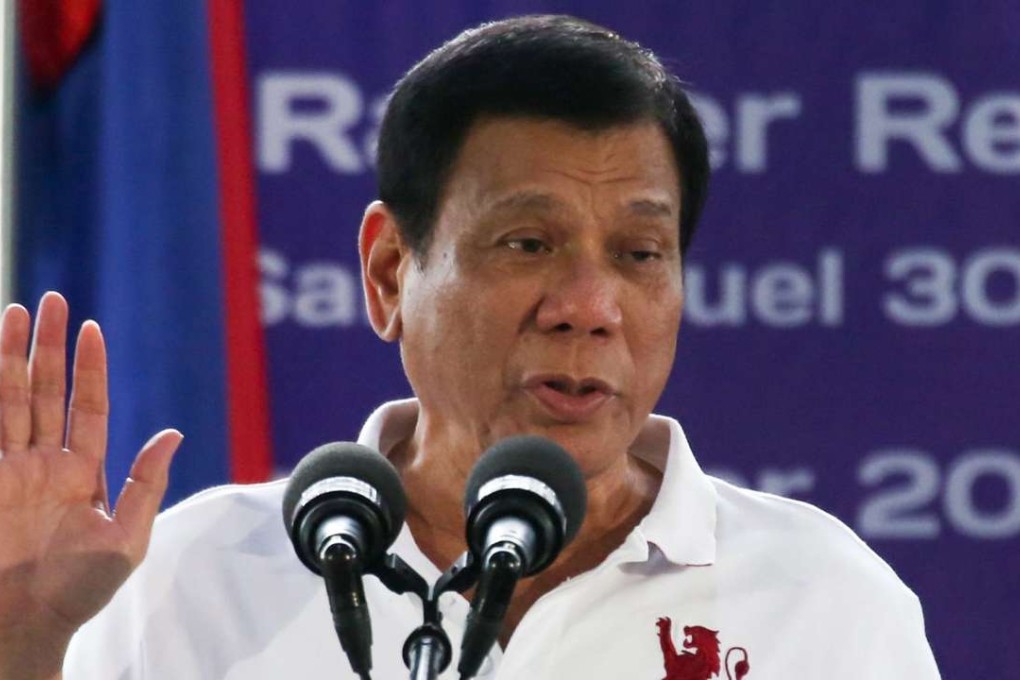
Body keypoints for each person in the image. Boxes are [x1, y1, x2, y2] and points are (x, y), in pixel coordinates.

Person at [0, 15, 939, 680]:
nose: (588, 306)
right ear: (388, 273)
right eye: (527, 243)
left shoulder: (822, 602)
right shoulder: (193, 579)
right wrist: (23, 637)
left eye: (640, 253)